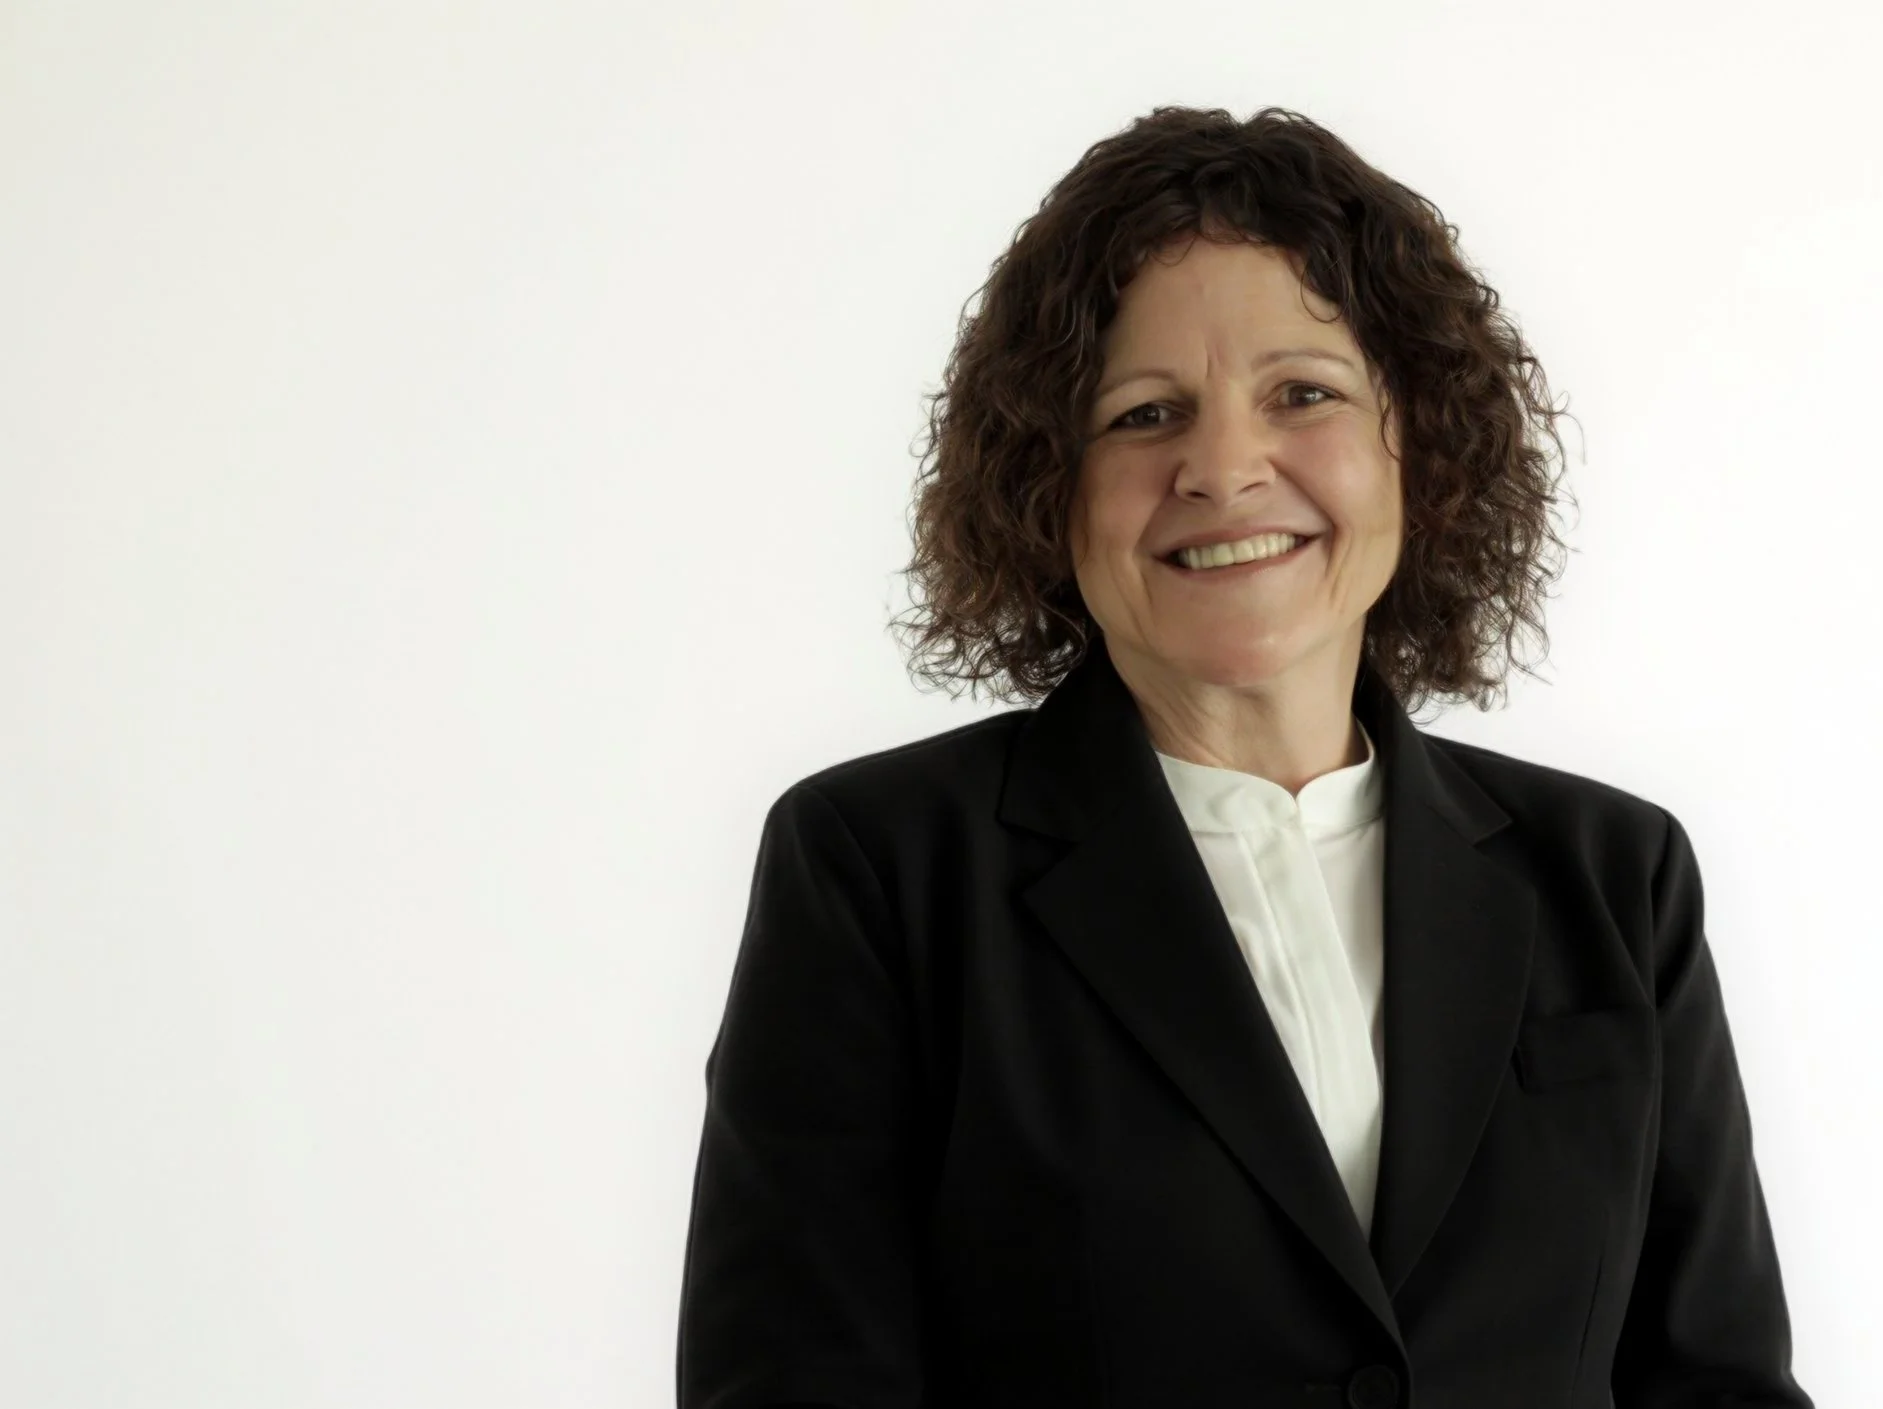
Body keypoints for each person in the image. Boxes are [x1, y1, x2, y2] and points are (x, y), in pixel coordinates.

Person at [676, 104, 1812, 1409]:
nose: (1222, 467)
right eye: (1146, 413)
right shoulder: (881, 874)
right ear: (1049, 486)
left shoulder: (1617, 875)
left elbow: (1717, 1385)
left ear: (1419, 446)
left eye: (1304, 394)